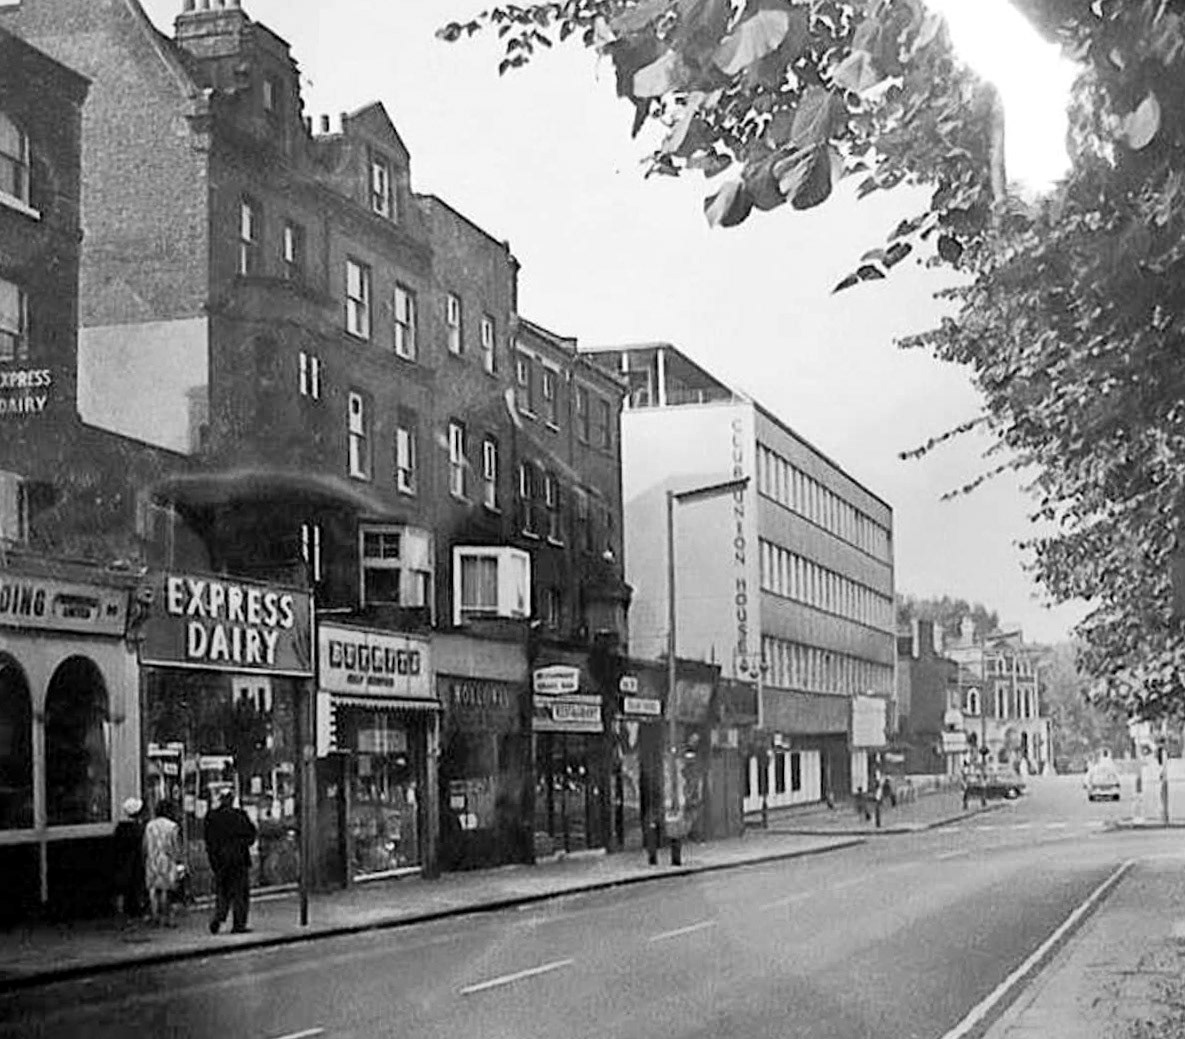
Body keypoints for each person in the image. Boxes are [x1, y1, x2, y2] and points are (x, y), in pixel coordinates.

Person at [204, 790, 257, 935]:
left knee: (223, 892)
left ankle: (218, 917)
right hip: (239, 860)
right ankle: (238, 924)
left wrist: (213, 860)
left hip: (220, 861)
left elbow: (209, 841)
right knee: (240, 893)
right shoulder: (240, 815)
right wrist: (241, 844)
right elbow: (251, 835)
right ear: (232, 800)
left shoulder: (212, 817)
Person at [143, 801, 182, 927]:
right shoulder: (172, 826)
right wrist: (178, 859)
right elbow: (175, 846)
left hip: (152, 859)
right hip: (167, 859)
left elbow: (145, 845)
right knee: (166, 889)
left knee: (153, 889)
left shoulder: (149, 826)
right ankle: (166, 917)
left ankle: (155, 916)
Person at [112, 797, 146, 923]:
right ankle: (135, 911)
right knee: (135, 887)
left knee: (122, 889)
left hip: (121, 863)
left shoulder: (120, 828)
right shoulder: (138, 829)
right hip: (135, 862)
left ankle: (121, 913)